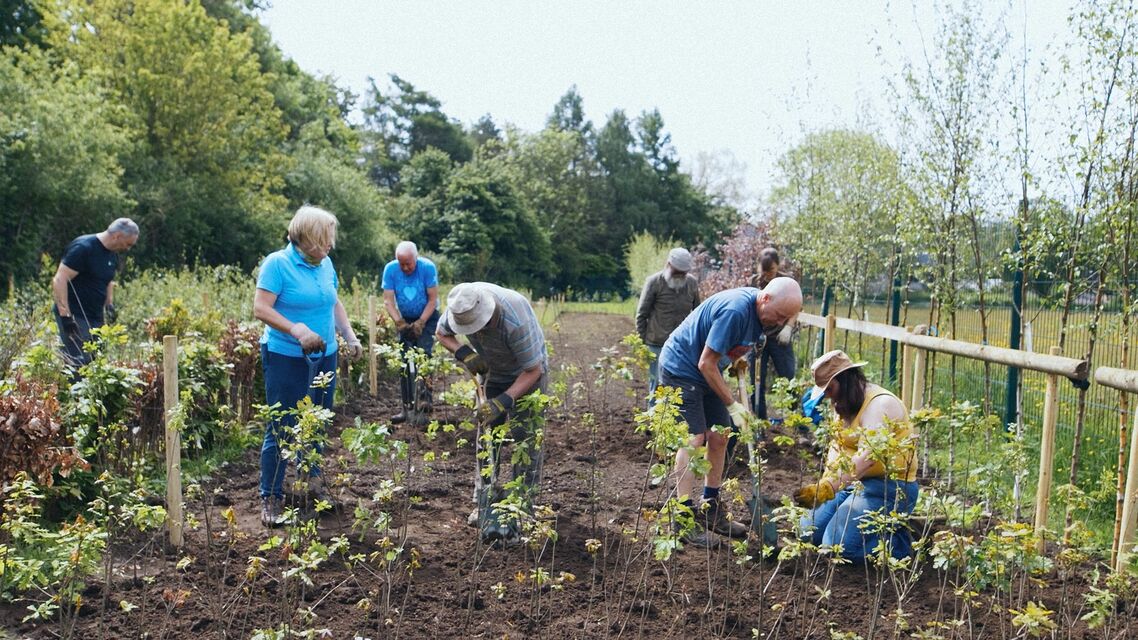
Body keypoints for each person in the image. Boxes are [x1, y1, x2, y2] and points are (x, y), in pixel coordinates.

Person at [658, 278, 803, 548]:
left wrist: (737, 362)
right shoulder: (736, 310)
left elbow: (733, 348)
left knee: (721, 436)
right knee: (694, 438)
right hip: (682, 368)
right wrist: (732, 404)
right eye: (780, 316)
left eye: (786, 318)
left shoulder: (763, 317)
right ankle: (682, 518)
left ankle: (710, 507)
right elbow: (706, 362)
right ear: (765, 299)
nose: (780, 323)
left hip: (707, 371)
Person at [253, 205, 364, 527]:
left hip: (325, 355)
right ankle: (271, 496)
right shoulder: (278, 264)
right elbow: (261, 308)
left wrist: (349, 335)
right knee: (283, 425)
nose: (330, 245)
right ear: (306, 238)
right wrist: (296, 329)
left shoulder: (325, 263)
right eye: (324, 239)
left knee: (316, 421)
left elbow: (334, 301)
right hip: (287, 356)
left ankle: (311, 484)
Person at [436, 282, 548, 543]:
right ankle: (484, 502)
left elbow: (534, 370)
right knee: (487, 439)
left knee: (526, 441)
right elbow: (442, 333)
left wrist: (505, 400)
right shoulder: (461, 304)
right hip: (492, 374)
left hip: (526, 376)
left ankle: (522, 508)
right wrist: (464, 352)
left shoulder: (514, 319)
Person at [794, 350, 919, 561]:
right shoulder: (844, 405)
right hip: (853, 484)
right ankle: (871, 530)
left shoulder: (879, 405)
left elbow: (866, 459)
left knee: (836, 548)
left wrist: (827, 489)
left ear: (845, 380)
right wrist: (826, 482)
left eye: (830, 388)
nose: (828, 396)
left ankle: (903, 541)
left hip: (889, 487)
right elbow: (838, 448)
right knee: (806, 532)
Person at [51, 218, 140, 368]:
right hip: (75, 315)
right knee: (78, 364)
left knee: (96, 361)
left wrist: (109, 304)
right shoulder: (84, 248)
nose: (128, 248)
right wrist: (65, 316)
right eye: (128, 244)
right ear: (117, 236)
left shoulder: (112, 254)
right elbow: (60, 279)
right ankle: (72, 391)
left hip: (96, 317)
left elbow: (108, 280)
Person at [381, 241, 440, 424]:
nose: (405, 267)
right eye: (402, 264)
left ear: (416, 258)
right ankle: (406, 407)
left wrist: (421, 322)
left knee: (423, 356)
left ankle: (424, 404)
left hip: (427, 318)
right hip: (404, 319)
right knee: (404, 361)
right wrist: (399, 322)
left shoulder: (427, 268)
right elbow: (389, 301)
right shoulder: (390, 270)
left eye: (409, 263)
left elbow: (432, 300)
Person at [635, 247, 700, 409]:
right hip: (656, 343)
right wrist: (643, 343)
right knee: (657, 384)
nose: (680, 276)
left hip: (682, 345)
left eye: (683, 273)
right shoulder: (654, 282)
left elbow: (698, 313)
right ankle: (654, 421)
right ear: (668, 265)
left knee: (681, 385)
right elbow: (641, 315)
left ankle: (677, 422)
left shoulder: (691, 283)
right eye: (677, 271)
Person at [750, 247, 797, 419]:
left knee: (788, 377)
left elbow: (795, 306)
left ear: (777, 265)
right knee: (756, 381)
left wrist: (788, 327)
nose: (767, 275)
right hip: (757, 339)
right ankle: (760, 421)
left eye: (771, 270)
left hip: (779, 337)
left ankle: (796, 421)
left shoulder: (786, 282)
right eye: (764, 271)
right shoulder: (753, 282)